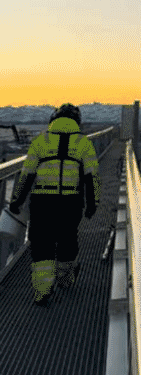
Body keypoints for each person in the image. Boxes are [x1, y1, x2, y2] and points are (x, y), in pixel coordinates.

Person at [9, 103, 100, 305]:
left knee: (42, 245)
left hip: (42, 203)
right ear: (76, 121)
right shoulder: (83, 143)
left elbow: (26, 176)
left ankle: (42, 292)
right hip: (70, 203)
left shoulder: (40, 141)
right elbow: (91, 178)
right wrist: (93, 204)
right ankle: (66, 277)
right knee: (67, 240)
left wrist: (17, 202)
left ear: (53, 119)